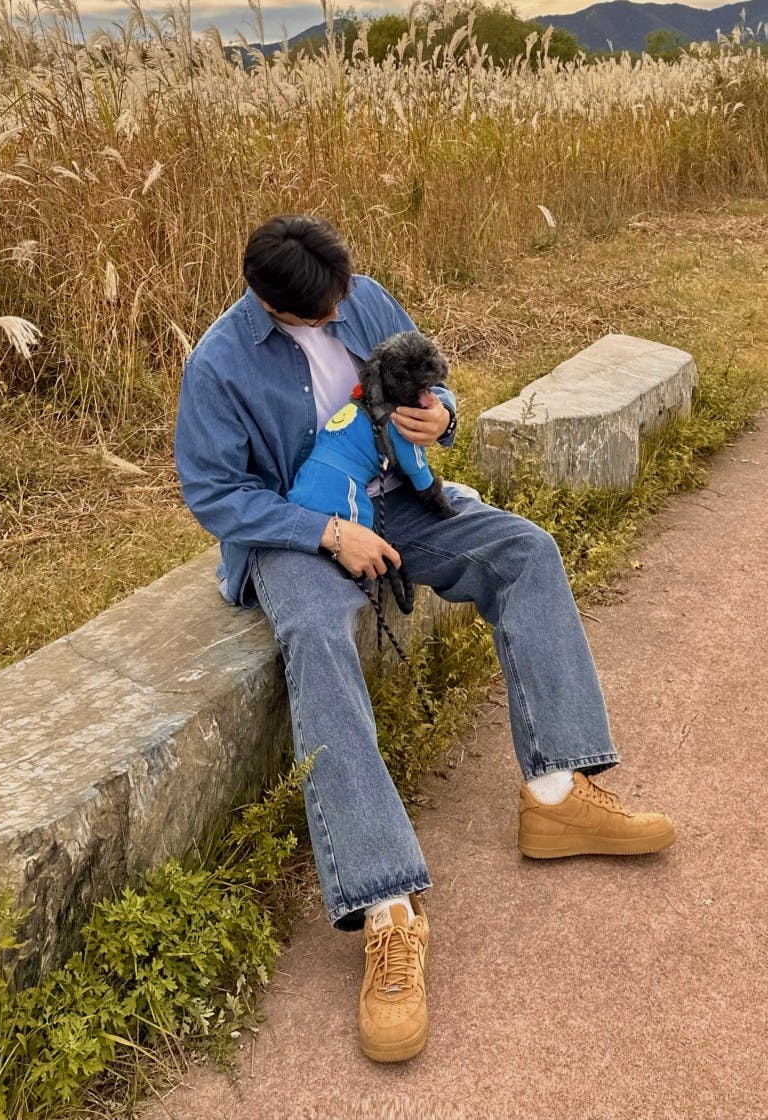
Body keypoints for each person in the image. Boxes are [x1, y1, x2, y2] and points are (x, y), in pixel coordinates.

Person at [174, 214, 676, 1064]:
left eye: (346, 299)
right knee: (318, 633)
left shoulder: (358, 295)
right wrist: (331, 537)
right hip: (294, 531)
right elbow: (214, 493)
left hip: (398, 498)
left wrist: (439, 418)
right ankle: (387, 911)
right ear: (268, 300)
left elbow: (434, 386)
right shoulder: (219, 365)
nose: (345, 316)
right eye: (323, 313)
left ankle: (557, 797)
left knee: (525, 551)